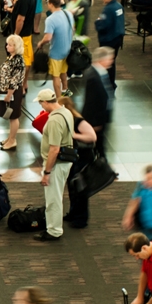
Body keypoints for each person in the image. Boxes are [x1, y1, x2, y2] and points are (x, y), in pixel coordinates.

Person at [34, 89, 74, 241]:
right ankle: (53, 226)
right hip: (65, 161)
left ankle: (54, 230)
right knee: (56, 196)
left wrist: (47, 172)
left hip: (56, 165)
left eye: (40, 102)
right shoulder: (65, 112)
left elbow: (54, 149)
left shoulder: (54, 120)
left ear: (45, 102)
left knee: (53, 198)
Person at [59, 97, 97, 229]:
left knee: (80, 189)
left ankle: (81, 218)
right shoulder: (68, 121)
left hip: (83, 159)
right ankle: (74, 213)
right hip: (74, 158)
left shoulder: (78, 121)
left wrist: (75, 135)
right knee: (72, 187)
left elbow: (92, 136)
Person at [36, 0, 74, 98]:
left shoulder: (50, 19)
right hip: (67, 49)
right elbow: (73, 28)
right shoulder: (68, 13)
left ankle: (58, 98)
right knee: (63, 71)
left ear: (51, 4)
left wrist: (41, 43)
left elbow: (48, 37)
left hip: (56, 52)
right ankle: (65, 89)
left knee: (55, 76)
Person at [81, 46, 114, 157]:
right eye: (110, 59)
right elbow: (91, 102)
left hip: (101, 118)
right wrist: (94, 122)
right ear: (102, 59)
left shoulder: (100, 72)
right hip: (95, 120)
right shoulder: (93, 77)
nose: (111, 61)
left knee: (99, 145)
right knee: (97, 146)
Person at [0, 35, 26, 151]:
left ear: (16, 47)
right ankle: (10, 138)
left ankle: (13, 140)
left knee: (13, 116)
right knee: (10, 116)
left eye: (10, 45)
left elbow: (14, 81)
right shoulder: (11, 57)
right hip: (6, 89)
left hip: (12, 91)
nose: (7, 46)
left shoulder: (18, 61)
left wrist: (9, 95)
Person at [11, 0, 36, 94]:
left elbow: (21, 18)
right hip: (28, 34)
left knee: (23, 61)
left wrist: (15, 35)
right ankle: (24, 83)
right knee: (27, 59)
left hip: (22, 35)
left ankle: (20, 86)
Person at [95, 0, 125, 87]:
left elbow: (102, 26)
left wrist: (97, 21)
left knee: (106, 63)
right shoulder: (119, 6)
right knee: (112, 62)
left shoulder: (108, 9)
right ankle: (111, 83)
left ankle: (108, 84)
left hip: (108, 40)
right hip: (117, 38)